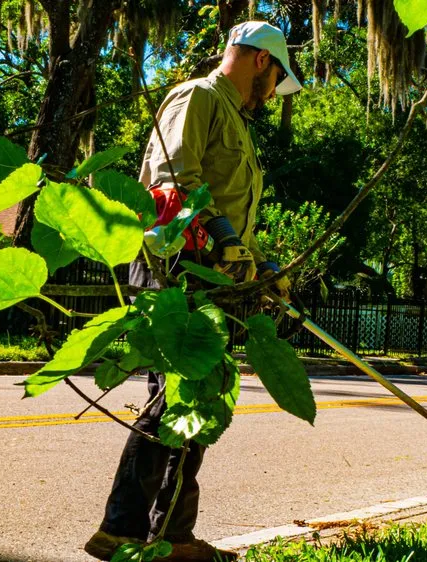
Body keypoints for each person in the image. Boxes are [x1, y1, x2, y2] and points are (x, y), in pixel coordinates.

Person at [84, 21, 301, 562]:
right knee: (173, 400)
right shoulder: (198, 96)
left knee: (198, 401)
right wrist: (225, 241)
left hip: (217, 277)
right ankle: (127, 531)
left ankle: (166, 535)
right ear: (261, 61)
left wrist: (263, 265)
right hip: (176, 270)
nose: (274, 93)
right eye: (277, 78)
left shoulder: (237, 121)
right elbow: (172, 181)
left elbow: (229, 211)